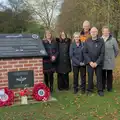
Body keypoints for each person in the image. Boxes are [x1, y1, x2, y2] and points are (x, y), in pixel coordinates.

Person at [83, 27, 105, 96]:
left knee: (99, 77)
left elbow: (102, 53)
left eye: (95, 32)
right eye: (92, 32)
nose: (93, 33)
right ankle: (89, 90)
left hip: (98, 63)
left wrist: (97, 62)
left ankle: (100, 90)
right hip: (90, 63)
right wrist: (90, 62)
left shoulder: (101, 41)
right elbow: (85, 52)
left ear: (97, 32)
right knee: (90, 77)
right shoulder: (87, 41)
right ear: (90, 33)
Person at [101, 26, 119, 92]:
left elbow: (116, 50)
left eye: (107, 31)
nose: (105, 32)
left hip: (110, 61)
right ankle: (102, 86)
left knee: (109, 74)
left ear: (109, 32)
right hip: (102, 60)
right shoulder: (100, 39)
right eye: (104, 31)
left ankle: (109, 87)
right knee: (102, 74)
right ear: (102, 32)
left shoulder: (113, 39)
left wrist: (112, 57)